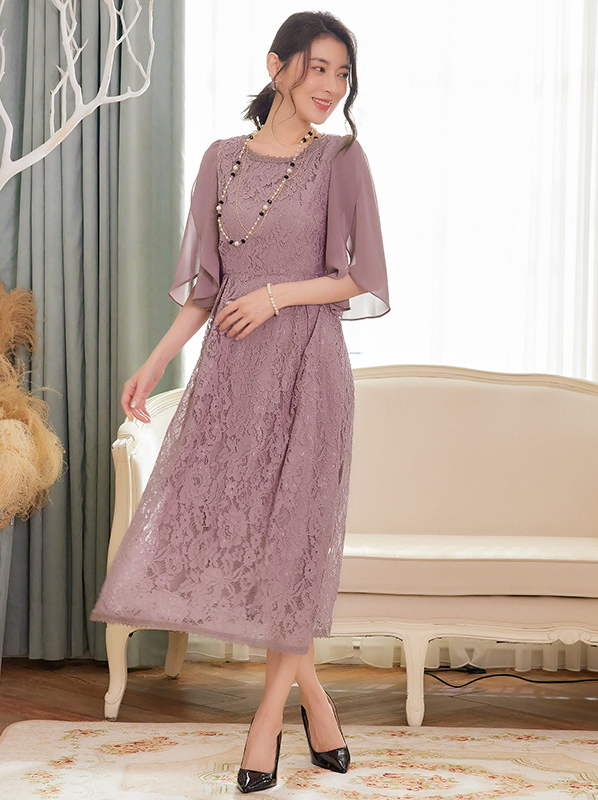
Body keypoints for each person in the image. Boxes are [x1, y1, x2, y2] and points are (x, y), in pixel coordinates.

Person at [91, 10, 389, 794]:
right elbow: (207, 288)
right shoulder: (220, 160)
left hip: (310, 371)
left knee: (292, 545)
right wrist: (155, 362)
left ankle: (265, 724)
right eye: (318, 68)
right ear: (276, 65)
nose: (331, 86)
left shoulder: (341, 160)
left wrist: (278, 296)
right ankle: (316, 702)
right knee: (256, 547)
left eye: (343, 74)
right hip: (233, 375)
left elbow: (362, 276)